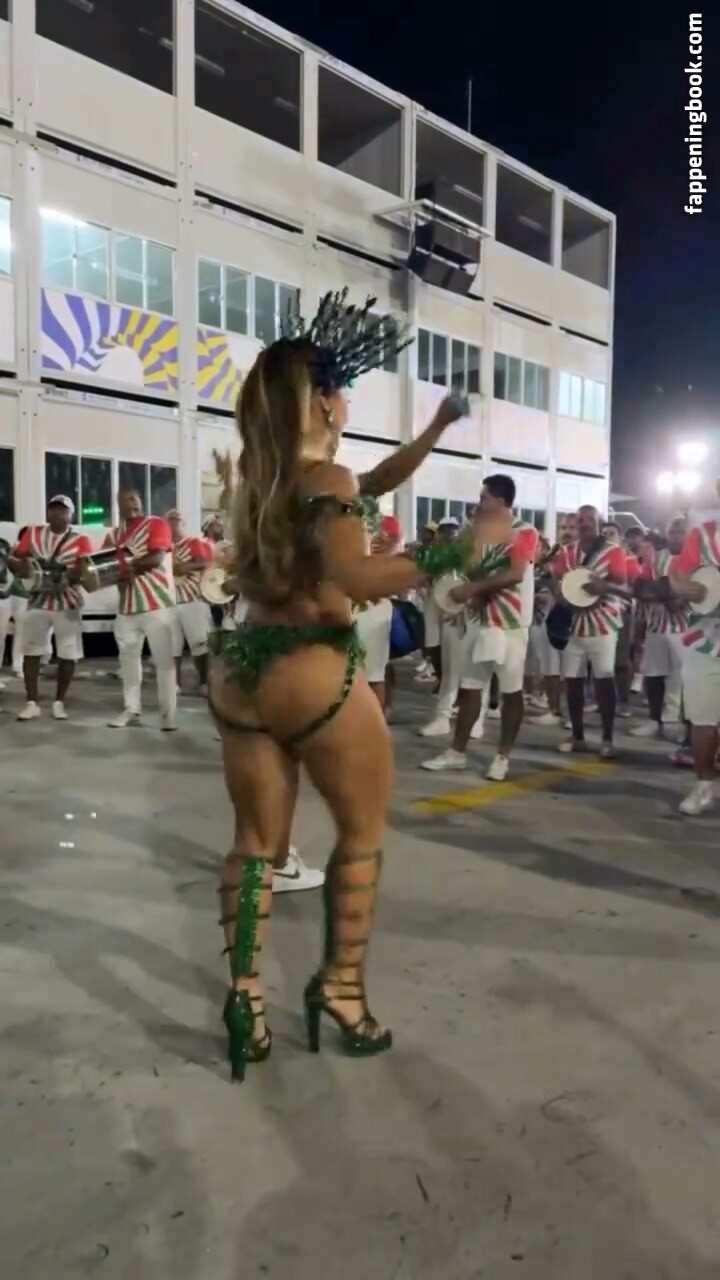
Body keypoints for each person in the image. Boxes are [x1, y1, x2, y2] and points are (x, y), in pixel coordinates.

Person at [207, 289, 466, 1081]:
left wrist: (434, 431)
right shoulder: (327, 476)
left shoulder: (260, 478)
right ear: (321, 399)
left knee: (255, 845)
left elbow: (371, 481)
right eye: (343, 390)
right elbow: (358, 576)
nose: (348, 402)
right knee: (359, 835)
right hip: (317, 672)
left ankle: (245, 1000)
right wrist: (457, 555)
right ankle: (341, 990)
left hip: (244, 672)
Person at [422, 476, 538, 781]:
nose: (479, 502)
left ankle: (502, 758)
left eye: (484, 497)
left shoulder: (525, 531)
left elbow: (515, 573)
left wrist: (472, 588)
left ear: (500, 500)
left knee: (511, 690)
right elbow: (470, 570)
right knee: (470, 687)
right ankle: (456, 753)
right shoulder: (479, 534)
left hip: (510, 624)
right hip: (479, 620)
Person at [553, 504, 627, 757]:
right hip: (573, 625)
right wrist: (560, 594)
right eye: (581, 520)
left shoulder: (613, 552)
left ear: (599, 523)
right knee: (572, 681)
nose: (584, 524)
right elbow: (557, 582)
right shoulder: (566, 552)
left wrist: (603, 587)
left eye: (589, 520)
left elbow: (624, 588)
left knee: (604, 679)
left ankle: (607, 739)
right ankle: (578, 737)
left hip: (603, 625)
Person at [8, 496, 91, 721]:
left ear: (71, 515)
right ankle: (31, 702)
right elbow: (17, 559)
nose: (57, 513)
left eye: (62, 510)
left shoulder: (81, 539)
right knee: (31, 651)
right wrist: (20, 567)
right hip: (38, 600)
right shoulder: (34, 533)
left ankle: (59, 702)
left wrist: (69, 575)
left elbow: (86, 569)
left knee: (68, 653)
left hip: (68, 601)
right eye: (53, 509)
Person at [104, 489, 177, 731]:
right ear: (118, 505)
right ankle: (131, 709)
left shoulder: (156, 523)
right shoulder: (114, 534)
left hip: (158, 605)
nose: (132, 503)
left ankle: (168, 715)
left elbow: (155, 558)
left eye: (135, 499)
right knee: (128, 661)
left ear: (141, 502)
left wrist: (123, 568)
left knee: (164, 662)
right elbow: (102, 566)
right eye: (126, 500)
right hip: (127, 607)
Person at [669, 510, 720, 815]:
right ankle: (703, 787)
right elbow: (678, 573)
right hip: (704, 641)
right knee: (702, 720)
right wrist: (684, 587)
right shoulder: (701, 535)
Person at [630, 517, 688, 738]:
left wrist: (678, 597)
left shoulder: (696, 559)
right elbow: (640, 588)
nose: (676, 536)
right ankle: (655, 720)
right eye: (673, 532)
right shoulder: (657, 558)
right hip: (656, 625)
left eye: (681, 532)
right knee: (653, 675)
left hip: (686, 628)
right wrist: (665, 594)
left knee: (680, 677)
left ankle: (675, 722)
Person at [354, 513, 401, 713]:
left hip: (375, 603)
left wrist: (386, 549)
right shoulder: (354, 519)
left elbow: (393, 547)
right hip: (354, 600)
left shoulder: (384, 522)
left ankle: (377, 720)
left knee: (374, 673)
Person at [166, 510, 213, 692]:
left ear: (183, 524)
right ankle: (174, 684)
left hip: (193, 599)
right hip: (169, 601)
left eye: (176, 520)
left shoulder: (193, 542)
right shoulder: (164, 547)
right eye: (169, 520)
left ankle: (205, 682)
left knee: (200, 644)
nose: (172, 524)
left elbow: (206, 564)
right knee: (171, 646)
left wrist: (184, 567)